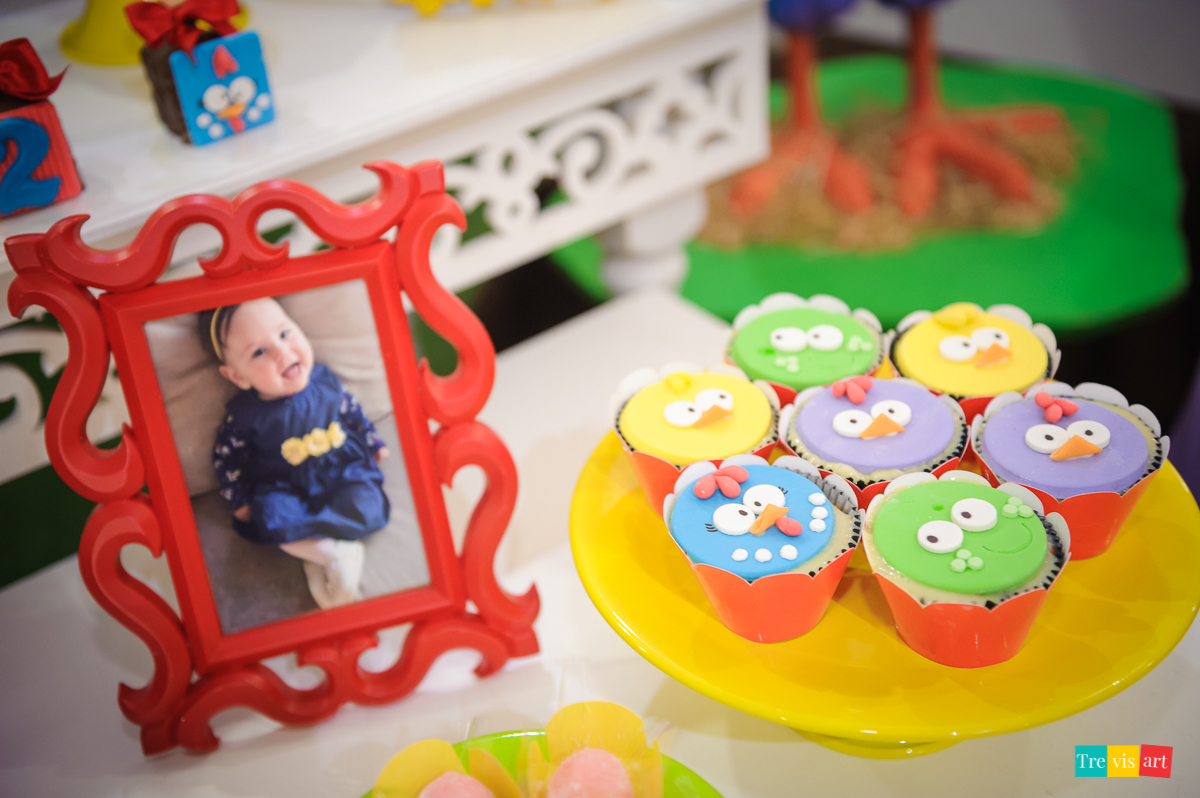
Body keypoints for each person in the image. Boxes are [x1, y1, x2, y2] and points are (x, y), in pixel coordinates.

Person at [200, 297, 391, 609]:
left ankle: (325, 548)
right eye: (259, 352)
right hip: (281, 482)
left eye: (285, 333)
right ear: (237, 376)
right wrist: (239, 499)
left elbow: (352, 412)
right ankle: (332, 552)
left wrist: (372, 442)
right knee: (271, 519)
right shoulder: (245, 416)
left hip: (340, 468)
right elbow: (227, 459)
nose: (283, 352)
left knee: (367, 503)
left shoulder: (326, 382)